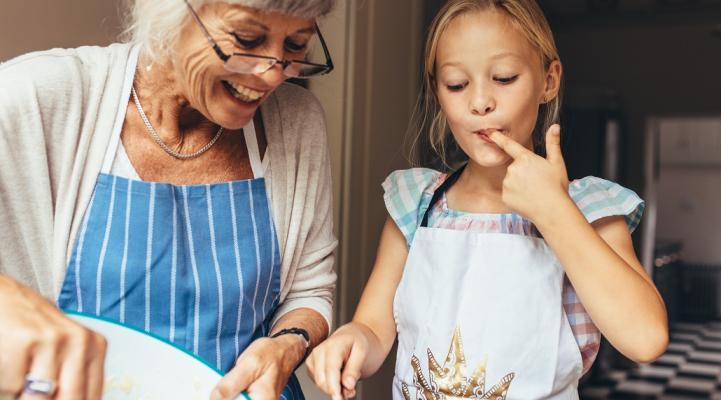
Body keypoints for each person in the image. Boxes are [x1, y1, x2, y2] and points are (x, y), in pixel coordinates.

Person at [305, 0, 669, 398]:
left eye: (504, 77)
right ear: (437, 94)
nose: (480, 102)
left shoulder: (590, 209)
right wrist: (353, 340)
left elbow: (645, 339)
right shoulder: (416, 205)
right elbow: (374, 328)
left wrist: (555, 213)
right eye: (457, 84)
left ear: (549, 80)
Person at [0, 0, 338, 399]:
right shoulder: (37, 96)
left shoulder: (298, 122)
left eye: (296, 46)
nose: (271, 73)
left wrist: (288, 343)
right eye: (247, 38)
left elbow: (310, 289)